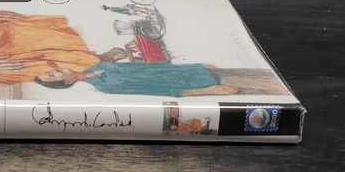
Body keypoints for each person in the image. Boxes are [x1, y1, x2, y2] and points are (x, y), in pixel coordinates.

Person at [34, 61, 237, 96]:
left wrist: (195, 64)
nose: (54, 70)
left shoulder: (97, 66)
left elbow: (152, 66)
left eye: (50, 71)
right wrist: (209, 90)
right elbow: (162, 91)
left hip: (197, 70)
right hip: (204, 84)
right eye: (53, 75)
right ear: (68, 81)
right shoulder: (105, 87)